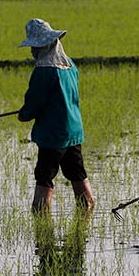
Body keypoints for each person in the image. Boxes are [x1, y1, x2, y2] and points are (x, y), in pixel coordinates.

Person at [18, 18, 94, 213]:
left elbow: (35, 102)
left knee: (44, 176)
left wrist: (25, 113)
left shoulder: (44, 71)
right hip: (73, 130)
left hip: (53, 134)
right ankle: (87, 209)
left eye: (35, 47)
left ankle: (40, 213)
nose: (33, 51)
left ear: (44, 46)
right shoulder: (70, 66)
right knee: (77, 172)